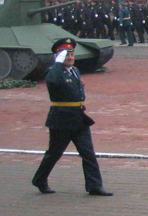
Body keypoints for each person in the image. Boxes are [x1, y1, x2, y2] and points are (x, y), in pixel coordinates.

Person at [30, 38, 113, 196]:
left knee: (88, 153)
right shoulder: (53, 72)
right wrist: (57, 64)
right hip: (61, 119)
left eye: (72, 54)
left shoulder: (74, 71)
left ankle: (94, 186)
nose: (70, 57)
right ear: (58, 57)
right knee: (54, 153)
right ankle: (40, 179)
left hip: (79, 118)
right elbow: (53, 81)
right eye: (66, 55)